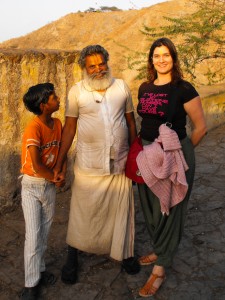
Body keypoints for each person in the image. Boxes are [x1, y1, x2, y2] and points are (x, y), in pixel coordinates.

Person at [54, 44, 140, 284]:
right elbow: (70, 128)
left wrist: (136, 157)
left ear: (107, 62)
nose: (98, 69)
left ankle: (125, 254)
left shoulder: (121, 86)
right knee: (83, 212)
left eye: (101, 64)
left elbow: (131, 122)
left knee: (121, 211)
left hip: (121, 162)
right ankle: (73, 256)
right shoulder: (76, 92)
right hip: (89, 164)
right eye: (92, 66)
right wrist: (59, 164)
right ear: (84, 68)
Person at [136, 38, 207, 297]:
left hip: (173, 156)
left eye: (166, 55)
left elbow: (200, 128)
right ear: (151, 59)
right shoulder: (144, 88)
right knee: (151, 207)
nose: (161, 60)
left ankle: (161, 267)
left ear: (173, 59)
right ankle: (160, 247)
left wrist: (180, 156)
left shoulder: (183, 88)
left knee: (172, 209)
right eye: (157, 55)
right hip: (146, 154)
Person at [20, 83, 66, 300]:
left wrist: (61, 174)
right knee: (33, 235)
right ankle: (30, 284)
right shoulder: (34, 128)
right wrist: (55, 177)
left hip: (48, 186)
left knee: (44, 232)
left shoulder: (57, 123)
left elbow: (61, 154)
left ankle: (38, 270)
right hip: (31, 185)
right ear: (43, 105)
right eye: (53, 98)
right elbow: (37, 166)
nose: (58, 99)